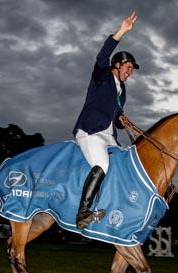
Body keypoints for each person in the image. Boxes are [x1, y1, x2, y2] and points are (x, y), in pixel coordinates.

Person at [73, 11, 139, 229]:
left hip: (109, 137)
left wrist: (123, 121)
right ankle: (82, 213)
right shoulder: (102, 75)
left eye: (131, 70)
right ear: (117, 65)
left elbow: (116, 118)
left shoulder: (123, 91)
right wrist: (122, 31)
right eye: (128, 67)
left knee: (123, 163)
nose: (130, 72)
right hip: (91, 132)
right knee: (102, 164)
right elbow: (102, 56)